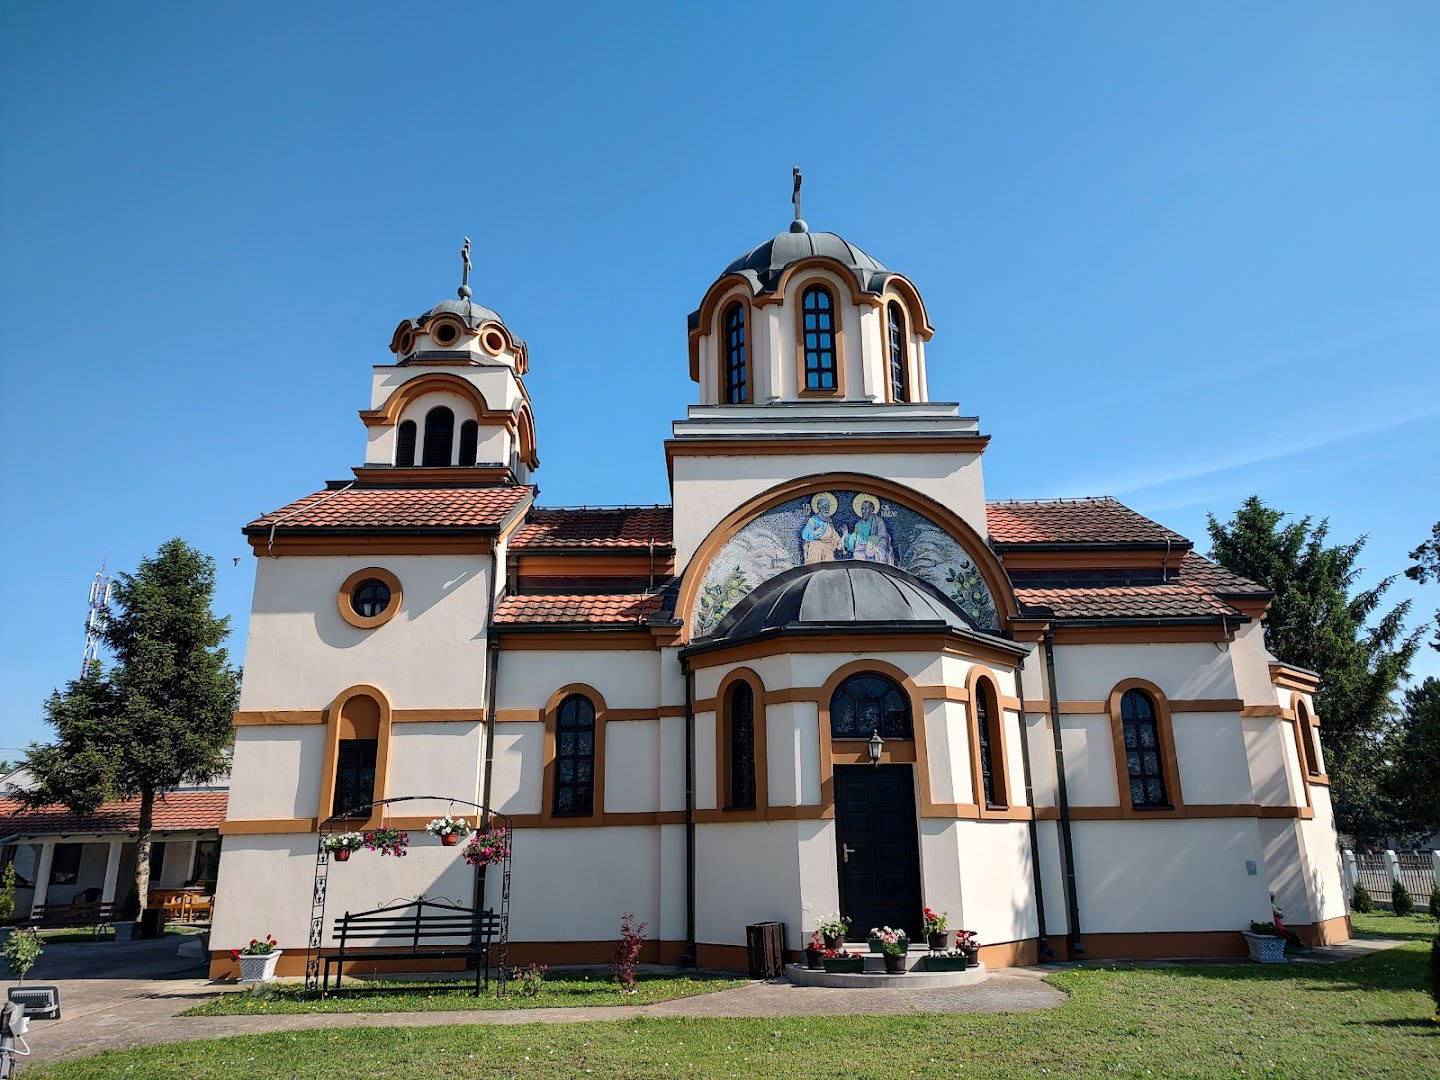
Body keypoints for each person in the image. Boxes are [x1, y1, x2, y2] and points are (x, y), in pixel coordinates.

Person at [844, 495, 896, 565]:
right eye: (862, 509)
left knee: (879, 546)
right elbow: (854, 539)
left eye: (866, 509)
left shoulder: (878, 521)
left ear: (871, 509)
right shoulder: (858, 524)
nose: (863, 511)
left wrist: (871, 543)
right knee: (857, 554)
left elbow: (883, 536)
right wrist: (846, 536)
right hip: (861, 549)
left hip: (874, 547)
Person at [801, 493, 842, 563]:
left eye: (828, 507)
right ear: (819, 508)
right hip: (816, 546)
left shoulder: (829, 521)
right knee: (816, 562)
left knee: (830, 565)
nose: (827, 509)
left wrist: (841, 540)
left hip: (828, 547)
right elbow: (805, 534)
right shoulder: (813, 520)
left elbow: (834, 535)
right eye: (824, 507)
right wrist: (814, 533)